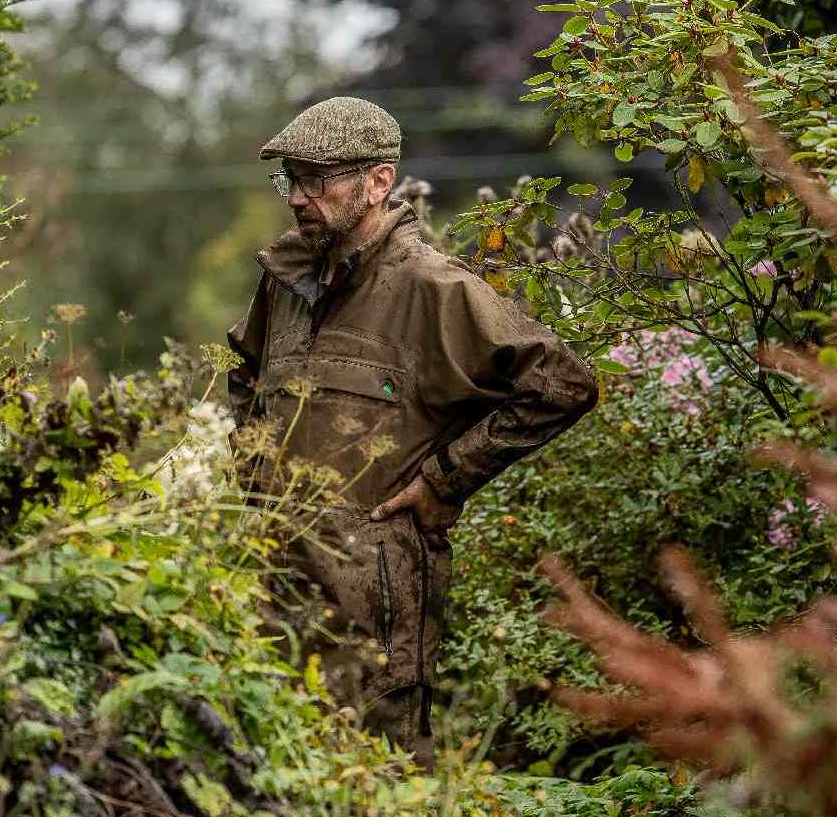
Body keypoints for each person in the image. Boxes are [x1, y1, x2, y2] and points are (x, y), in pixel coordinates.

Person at [227, 96, 597, 766]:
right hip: (269, 593)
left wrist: (444, 480)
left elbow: (561, 385)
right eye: (290, 179)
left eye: (318, 179)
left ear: (379, 182)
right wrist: (246, 480)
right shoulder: (284, 281)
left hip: (372, 608)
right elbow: (247, 378)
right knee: (269, 780)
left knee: (383, 780)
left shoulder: (434, 289)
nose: (298, 199)